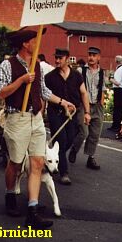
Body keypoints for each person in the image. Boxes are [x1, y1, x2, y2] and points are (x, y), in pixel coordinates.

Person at [0, 27, 75, 229]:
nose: (38, 43)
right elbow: (0, 92)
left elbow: (44, 90)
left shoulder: (37, 65)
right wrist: (21, 80)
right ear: (25, 43)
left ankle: (32, 210)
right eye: (34, 39)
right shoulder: (7, 65)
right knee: (15, 163)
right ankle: (10, 194)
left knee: (38, 163)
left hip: (36, 118)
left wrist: (63, 102)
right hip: (17, 118)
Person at [45, 48, 90, 185]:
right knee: (61, 140)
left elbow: (83, 93)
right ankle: (64, 173)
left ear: (67, 58)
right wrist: (40, 115)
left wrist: (87, 112)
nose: (57, 60)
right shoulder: (50, 77)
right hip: (55, 113)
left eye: (60, 58)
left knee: (70, 138)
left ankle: (55, 155)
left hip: (71, 114)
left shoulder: (77, 75)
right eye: (56, 58)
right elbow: (44, 96)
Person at [70, 47, 105, 170]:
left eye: (94, 55)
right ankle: (74, 149)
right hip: (83, 106)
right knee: (84, 132)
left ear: (99, 57)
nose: (91, 57)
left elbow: (102, 89)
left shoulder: (102, 72)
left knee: (95, 134)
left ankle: (91, 158)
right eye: (89, 55)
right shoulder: (80, 70)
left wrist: (101, 105)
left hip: (97, 106)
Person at [108, 55, 122, 131]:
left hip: (119, 90)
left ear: (117, 61)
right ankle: (120, 125)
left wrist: (110, 79)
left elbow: (117, 82)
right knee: (121, 108)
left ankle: (115, 126)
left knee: (117, 108)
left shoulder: (119, 69)